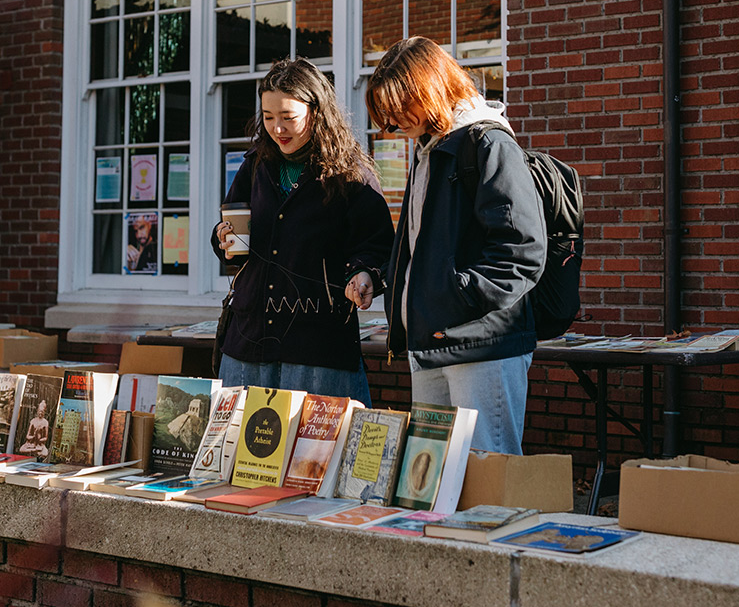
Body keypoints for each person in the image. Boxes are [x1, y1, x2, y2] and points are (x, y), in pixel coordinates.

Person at [364, 36, 546, 454]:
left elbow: (522, 251)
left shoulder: (489, 144)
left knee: (487, 479)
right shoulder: (429, 150)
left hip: (479, 343)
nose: (392, 123)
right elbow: (416, 244)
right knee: (432, 482)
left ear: (429, 89)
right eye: (385, 113)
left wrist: (452, 298)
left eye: (398, 107)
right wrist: (393, 286)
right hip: (432, 340)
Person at [212, 58, 395, 402]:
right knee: (239, 454)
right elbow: (234, 239)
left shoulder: (350, 174)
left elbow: (379, 246)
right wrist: (221, 237)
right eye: (268, 117)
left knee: (319, 457)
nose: (277, 128)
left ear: (316, 111)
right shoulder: (255, 165)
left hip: (318, 349)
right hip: (248, 344)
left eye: (288, 117)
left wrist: (364, 273)